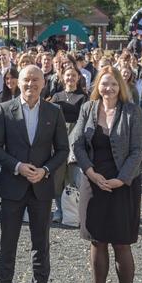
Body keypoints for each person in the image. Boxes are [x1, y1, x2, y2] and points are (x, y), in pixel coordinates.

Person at [0, 65, 70, 283]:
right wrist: (17, 166)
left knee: (41, 243)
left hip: (41, 187)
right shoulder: (4, 110)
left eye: (36, 80)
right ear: (17, 82)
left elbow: (63, 150)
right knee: (8, 243)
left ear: (43, 83)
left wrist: (45, 171)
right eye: (26, 80)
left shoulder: (54, 112)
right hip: (12, 186)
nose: (30, 84)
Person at [70, 66, 142, 283]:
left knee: (122, 242)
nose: (108, 89)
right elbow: (77, 143)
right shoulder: (87, 109)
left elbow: (138, 150)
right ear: (97, 86)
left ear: (120, 86)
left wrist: (121, 179)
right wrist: (89, 172)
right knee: (96, 240)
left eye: (113, 84)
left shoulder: (132, 111)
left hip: (123, 184)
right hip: (93, 181)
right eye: (104, 84)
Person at [49, 66, 87, 223]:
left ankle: (73, 210)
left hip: (75, 135)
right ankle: (59, 209)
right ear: (63, 78)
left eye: (73, 75)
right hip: (58, 136)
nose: (70, 78)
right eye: (67, 75)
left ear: (78, 78)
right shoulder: (56, 96)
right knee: (57, 175)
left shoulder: (83, 97)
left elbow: (84, 120)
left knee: (72, 174)